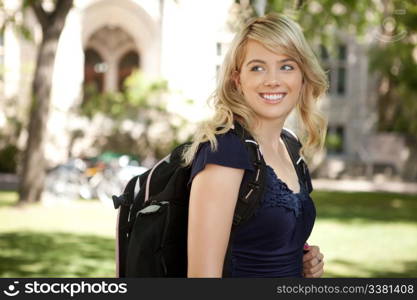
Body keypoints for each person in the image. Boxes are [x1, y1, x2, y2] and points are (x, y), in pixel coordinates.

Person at [182, 13, 327, 278]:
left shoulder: (291, 147)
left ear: (303, 76)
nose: (273, 80)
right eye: (258, 67)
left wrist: (302, 264)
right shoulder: (225, 150)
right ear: (238, 80)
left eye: (286, 66)